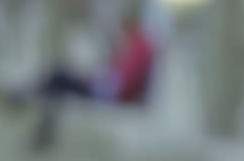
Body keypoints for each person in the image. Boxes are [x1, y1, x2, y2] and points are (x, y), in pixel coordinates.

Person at [22, 13, 156, 153]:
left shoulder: (139, 47)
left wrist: (97, 80)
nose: (119, 30)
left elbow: (124, 81)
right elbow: (117, 74)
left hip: (109, 93)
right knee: (58, 82)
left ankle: (28, 101)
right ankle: (39, 126)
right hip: (106, 88)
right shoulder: (135, 45)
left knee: (59, 78)